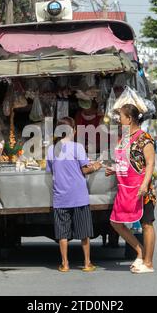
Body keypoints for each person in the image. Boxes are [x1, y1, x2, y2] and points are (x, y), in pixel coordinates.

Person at [46, 117, 102, 273]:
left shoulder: (51, 149)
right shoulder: (78, 147)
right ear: (73, 131)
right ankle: (87, 263)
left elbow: (50, 171)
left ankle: (65, 264)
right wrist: (96, 166)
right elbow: (84, 169)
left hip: (60, 197)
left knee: (62, 233)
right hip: (78, 196)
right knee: (84, 233)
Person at [106, 104, 157, 273]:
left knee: (146, 224)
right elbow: (126, 162)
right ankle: (140, 251)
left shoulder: (145, 138)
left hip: (143, 189)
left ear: (129, 119)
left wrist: (144, 185)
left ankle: (148, 263)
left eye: (121, 116)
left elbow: (150, 164)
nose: (118, 120)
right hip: (125, 189)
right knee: (115, 222)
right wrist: (114, 169)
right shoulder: (125, 138)